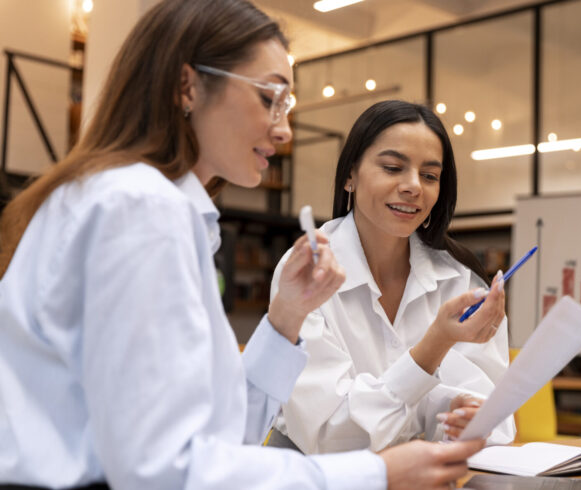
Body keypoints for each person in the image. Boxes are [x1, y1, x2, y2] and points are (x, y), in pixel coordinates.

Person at [0, 1, 484, 489]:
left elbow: (223, 434)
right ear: (188, 86)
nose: (284, 130)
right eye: (269, 98)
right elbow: (163, 470)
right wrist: (376, 472)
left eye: (287, 106)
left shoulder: (152, 206)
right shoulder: (139, 208)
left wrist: (285, 320)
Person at [246, 100, 516, 455]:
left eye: (430, 176)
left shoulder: (461, 279)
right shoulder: (307, 272)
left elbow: (496, 420)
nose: (413, 186)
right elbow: (328, 433)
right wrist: (433, 350)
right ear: (350, 175)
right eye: (392, 167)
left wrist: (466, 417)